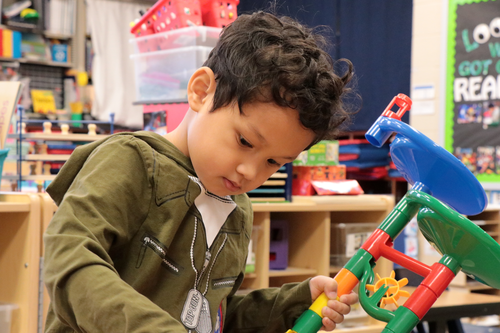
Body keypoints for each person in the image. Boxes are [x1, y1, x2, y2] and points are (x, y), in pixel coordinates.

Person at [43, 10, 358, 333]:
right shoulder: (130, 161)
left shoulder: (237, 209)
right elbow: (70, 262)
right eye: (245, 141)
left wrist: (293, 303)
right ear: (201, 91)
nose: (249, 171)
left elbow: (212, 316)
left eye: (274, 162)